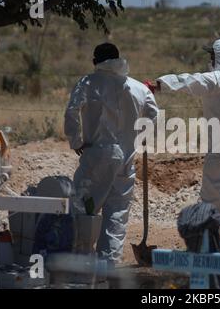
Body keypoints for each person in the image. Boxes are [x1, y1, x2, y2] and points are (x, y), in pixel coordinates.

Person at [154, 38, 220, 253]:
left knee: (212, 201)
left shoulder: (219, 79)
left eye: (212, 56)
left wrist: (161, 84)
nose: (209, 60)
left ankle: (206, 248)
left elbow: (191, 82)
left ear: (219, 57)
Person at [64, 43, 159, 263]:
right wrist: (138, 138)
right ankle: (107, 269)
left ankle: (79, 263)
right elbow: (153, 114)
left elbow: (72, 112)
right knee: (116, 215)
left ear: (95, 61)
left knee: (85, 210)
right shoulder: (138, 88)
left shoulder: (87, 83)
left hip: (96, 158)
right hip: (125, 160)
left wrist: (76, 140)